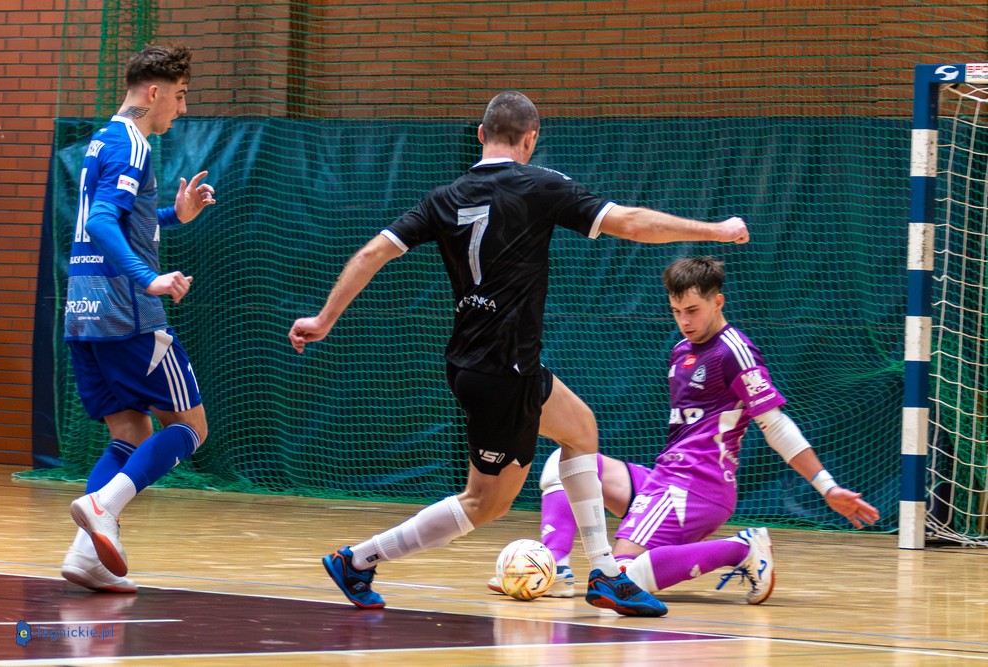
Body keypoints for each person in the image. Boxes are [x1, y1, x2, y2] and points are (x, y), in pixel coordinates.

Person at [288, 91, 749, 617]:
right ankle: (357, 560)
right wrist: (714, 230)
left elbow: (373, 252)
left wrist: (324, 319)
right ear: (531, 138)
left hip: (489, 364)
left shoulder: (444, 196)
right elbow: (631, 222)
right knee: (484, 503)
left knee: (581, 429)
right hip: (499, 371)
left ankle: (606, 574)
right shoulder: (540, 185)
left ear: (481, 135)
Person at [489, 256, 880, 603]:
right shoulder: (681, 351)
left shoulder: (734, 350)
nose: (685, 321)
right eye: (676, 311)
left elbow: (775, 424)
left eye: (693, 310)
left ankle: (742, 548)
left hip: (698, 485)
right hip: (666, 479)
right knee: (564, 462)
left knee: (619, 580)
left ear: (718, 301)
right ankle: (556, 569)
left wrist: (827, 486)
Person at [61, 44, 217, 593]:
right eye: (180, 96)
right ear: (154, 92)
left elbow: (122, 219)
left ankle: (87, 556)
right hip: (127, 311)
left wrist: (175, 215)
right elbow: (103, 221)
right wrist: (148, 278)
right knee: (190, 427)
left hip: (83, 310)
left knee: (130, 431)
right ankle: (104, 507)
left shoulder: (102, 140)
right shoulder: (133, 144)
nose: (182, 109)